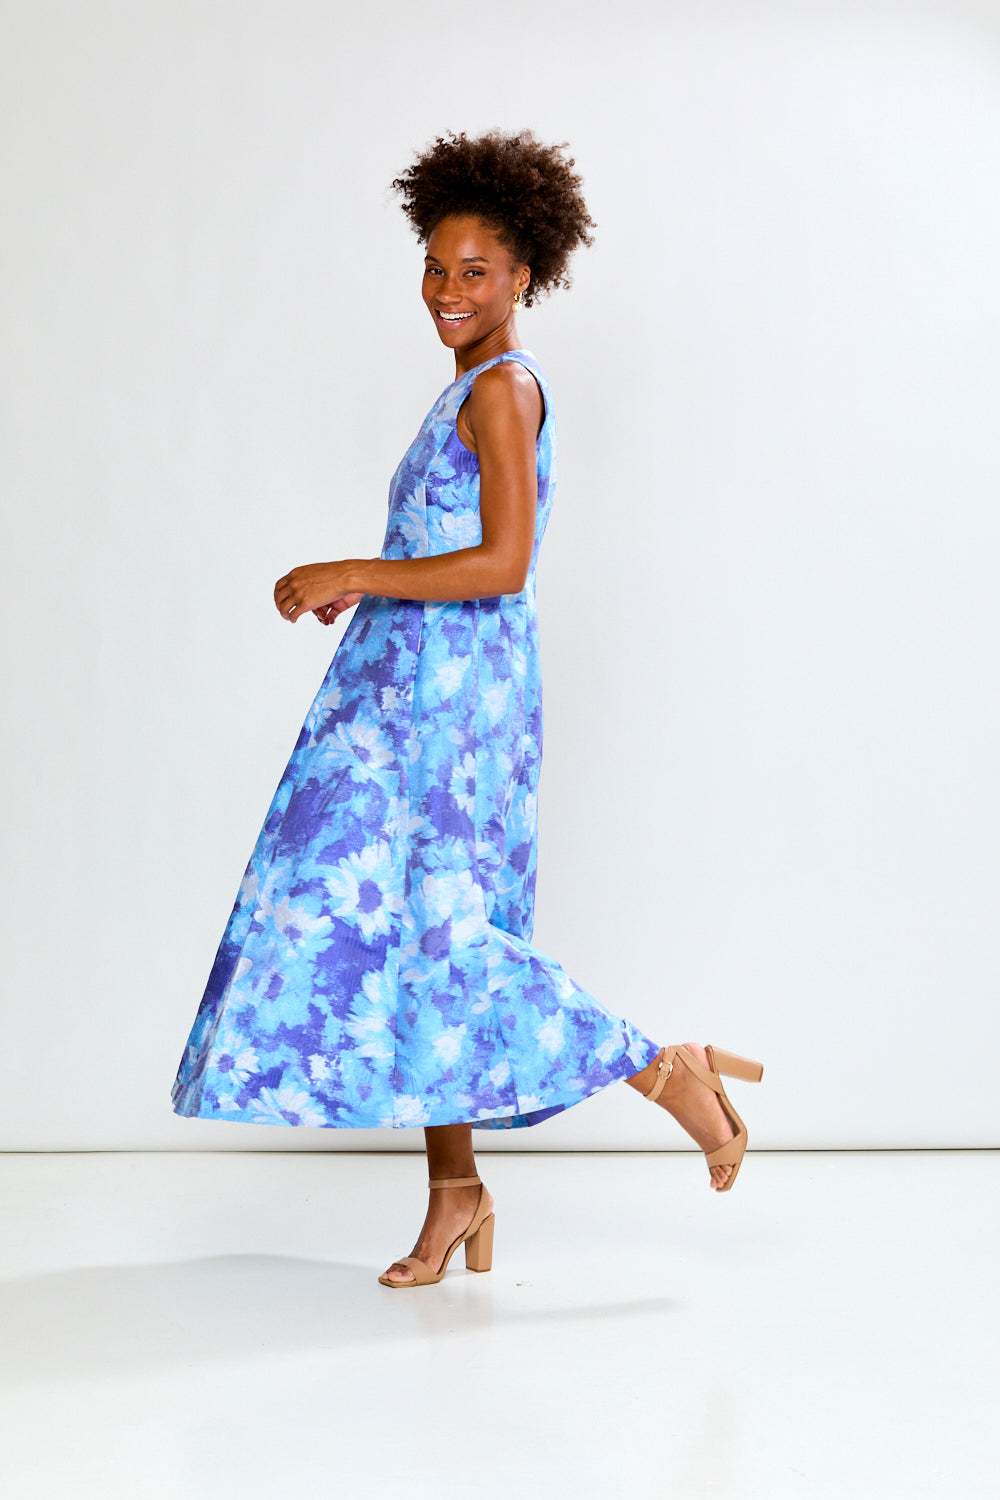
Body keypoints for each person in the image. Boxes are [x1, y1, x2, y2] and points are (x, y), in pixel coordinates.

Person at [171, 129, 763, 1288]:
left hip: (452, 709)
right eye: (437, 269)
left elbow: (501, 562)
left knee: (448, 933)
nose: (449, 292)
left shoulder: (506, 389)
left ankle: (664, 1068)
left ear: (527, 275)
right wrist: (377, 596)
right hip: (404, 687)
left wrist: (356, 572)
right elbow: (450, 554)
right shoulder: (462, 387)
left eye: (476, 272)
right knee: (409, 937)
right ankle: (456, 1190)